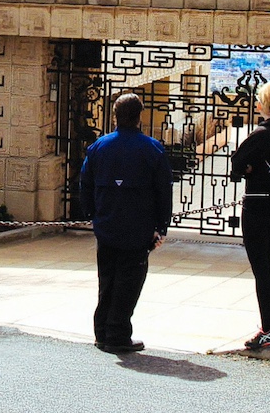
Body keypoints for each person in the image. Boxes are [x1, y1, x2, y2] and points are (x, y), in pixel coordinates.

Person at [79, 93, 172, 353]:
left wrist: (91, 215)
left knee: (107, 280)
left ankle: (102, 332)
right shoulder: (152, 148)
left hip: (107, 225)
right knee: (129, 283)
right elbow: (163, 190)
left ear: (115, 116)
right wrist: (161, 226)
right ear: (139, 116)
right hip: (137, 228)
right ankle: (118, 334)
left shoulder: (98, 147)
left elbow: (85, 184)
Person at [229, 79, 270, 350]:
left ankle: (269, 327)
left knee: (262, 269)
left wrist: (249, 170)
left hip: (257, 206)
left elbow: (236, 164)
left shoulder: (261, 134)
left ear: (262, 104)